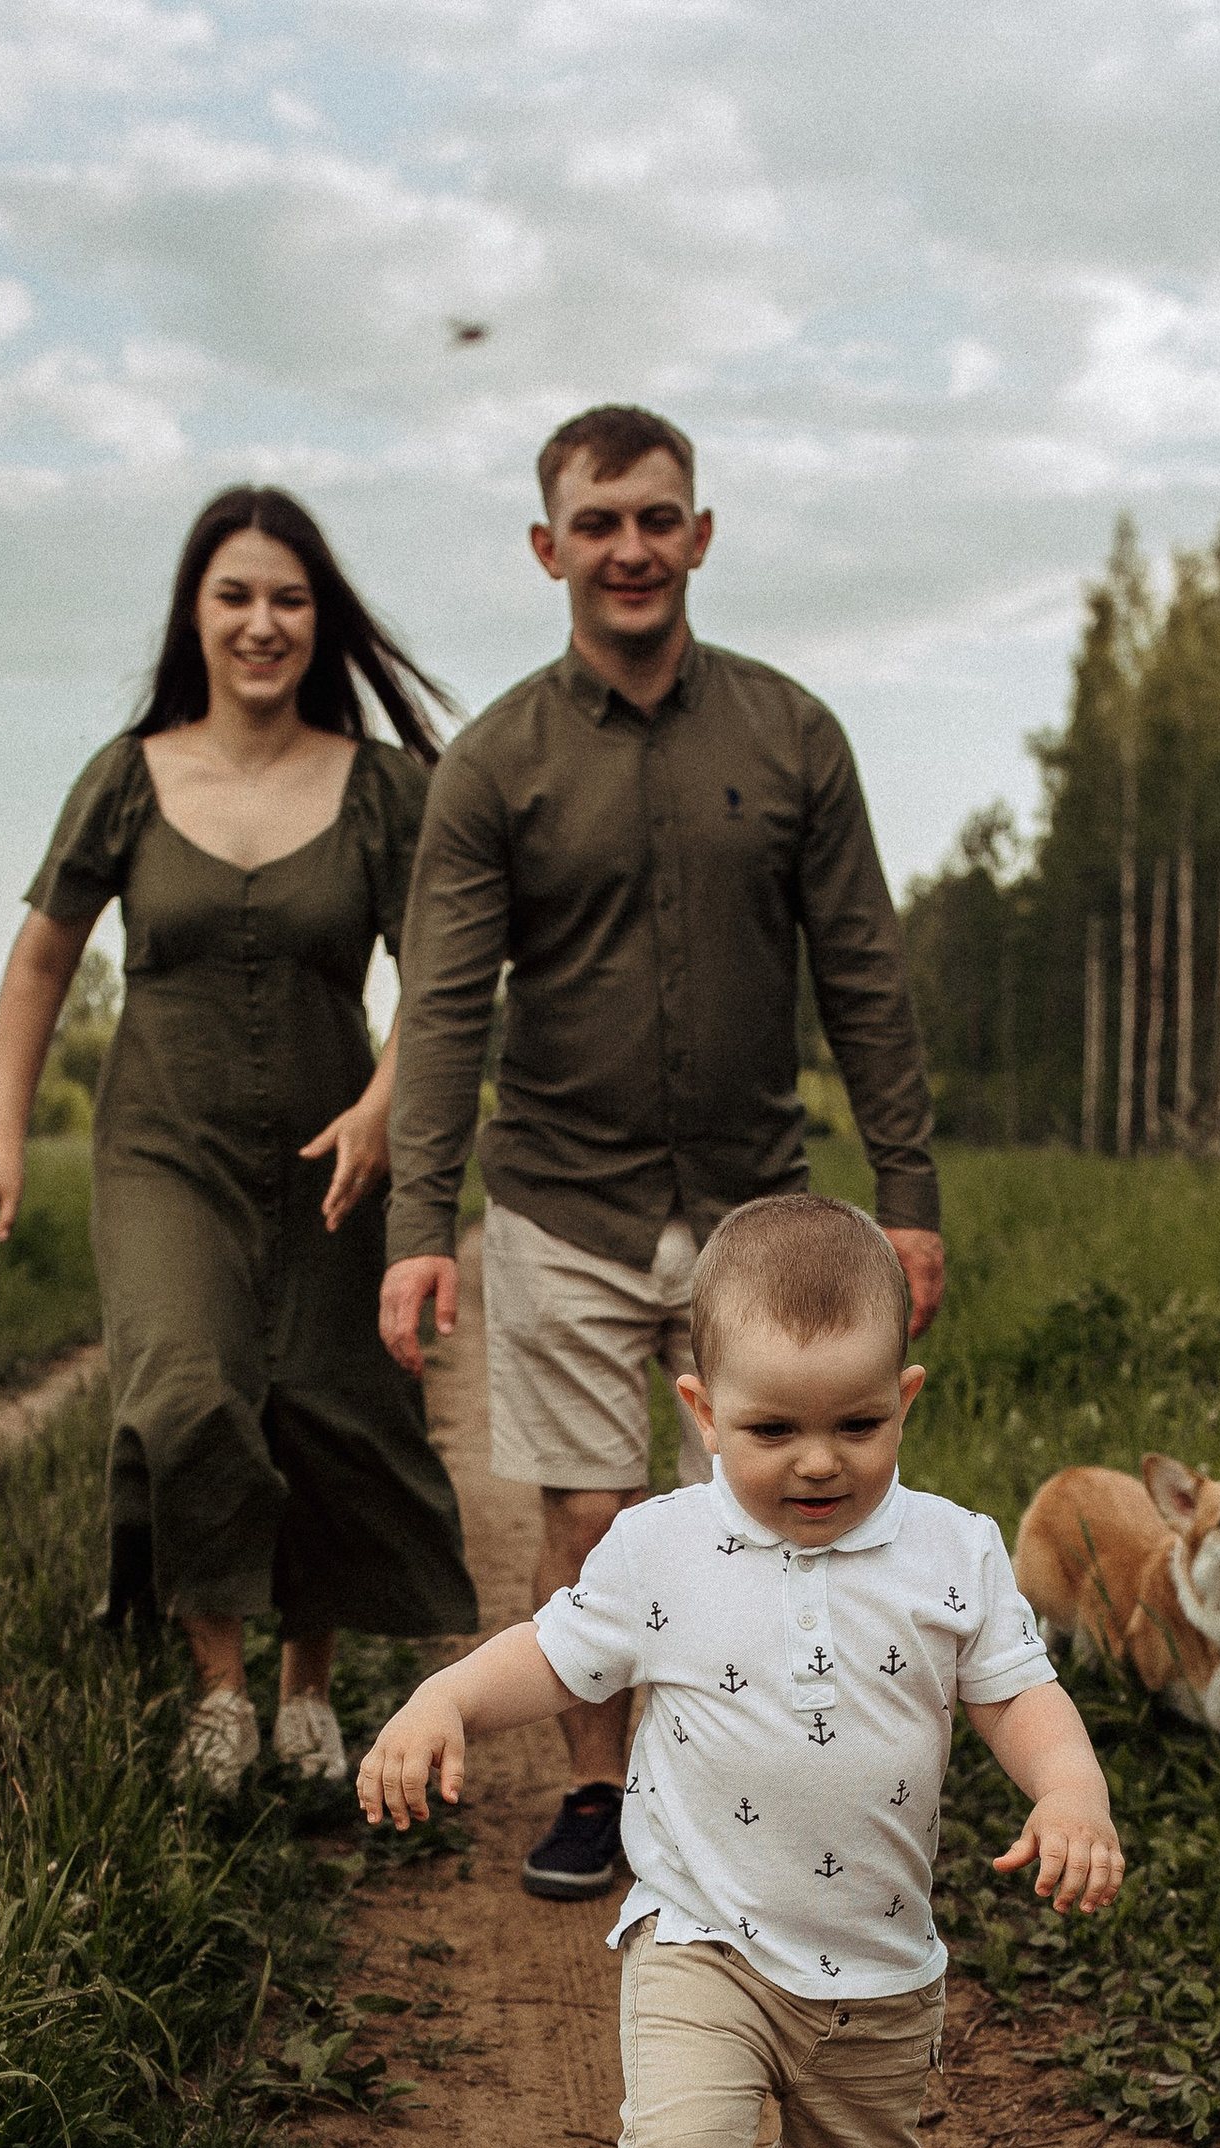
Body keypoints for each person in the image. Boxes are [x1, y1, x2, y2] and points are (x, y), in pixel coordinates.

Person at [356, 1195, 1120, 2148]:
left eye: (857, 1425)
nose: (817, 1462)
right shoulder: (660, 1549)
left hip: (878, 1951)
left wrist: (1071, 1792)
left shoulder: (953, 1550)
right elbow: (553, 1656)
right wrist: (445, 1702)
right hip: (701, 1934)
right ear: (704, 1411)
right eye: (773, 1430)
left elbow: (1017, 1697)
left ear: (906, 1399)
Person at [378, 403, 944, 1901]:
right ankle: (598, 1791)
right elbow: (444, 1008)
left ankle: (764, 1789)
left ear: (699, 534)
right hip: (561, 1195)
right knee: (587, 1512)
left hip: (761, 1208)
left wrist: (908, 1197)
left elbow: (864, 977)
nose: (628, 548)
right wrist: (420, 1225)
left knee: (776, 1506)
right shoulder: (494, 763)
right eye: (598, 522)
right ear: (547, 546)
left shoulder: (792, 734)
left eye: (655, 517)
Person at [0, 484, 477, 1795]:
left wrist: (387, 1101)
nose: (262, 623)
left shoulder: (383, 789)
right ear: (193, 614)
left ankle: (305, 1694)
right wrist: (3, 1145)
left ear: (321, 619)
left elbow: (445, 971)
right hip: (162, 1151)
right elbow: (39, 960)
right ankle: (219, 1694)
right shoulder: (128, 777)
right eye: (234, 595)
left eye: (288, 599)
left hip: (336, 1151)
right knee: (184, 1393)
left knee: (324, 1410)